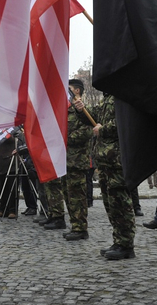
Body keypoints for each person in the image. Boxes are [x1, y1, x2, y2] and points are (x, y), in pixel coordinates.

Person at [87, 91, 136, 259]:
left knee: (121, 202)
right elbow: (94, 116)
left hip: (117, 159)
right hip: (105, 160)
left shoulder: (123, 94)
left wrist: (104, 129)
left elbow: (126, 122)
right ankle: (118, 241)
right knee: (111, 203)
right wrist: (81, 110)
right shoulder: (108, 97)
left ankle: (126, 244)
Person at [53, 79, 96, 240]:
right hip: (65, 160)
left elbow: (86, 132)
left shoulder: (82, 110)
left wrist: (63, 138)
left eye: (69, 89)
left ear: (76, 91)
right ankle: (74, 225)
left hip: (77, 160)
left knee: (77, 196)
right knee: (68, 195)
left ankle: (80, 228)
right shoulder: (66, 110)